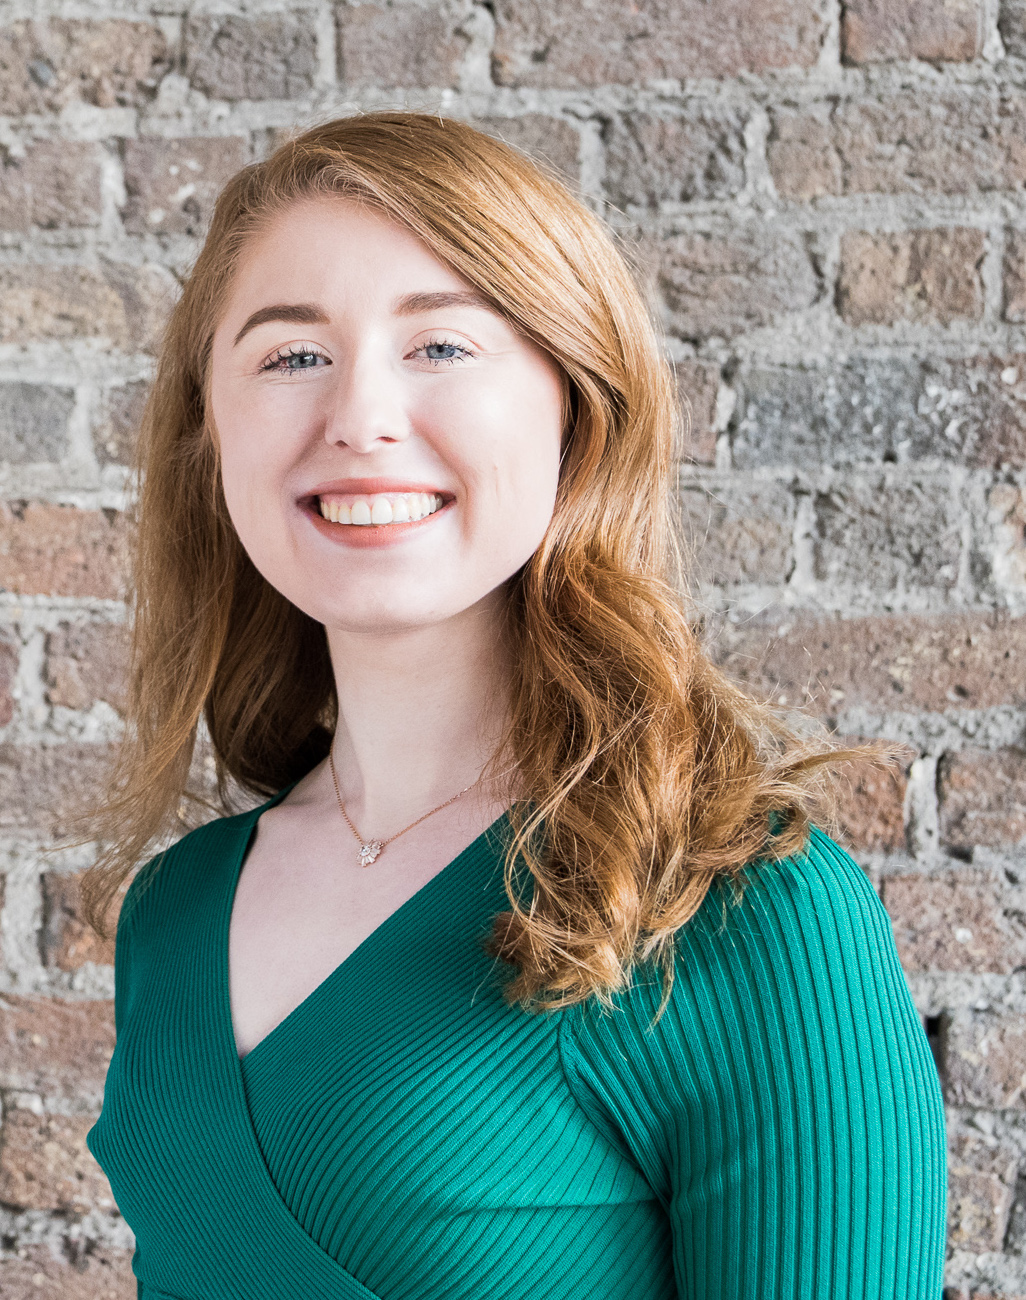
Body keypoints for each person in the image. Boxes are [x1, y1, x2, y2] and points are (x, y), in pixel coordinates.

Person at [83, 112, 946, 1299]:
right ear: (210, 435)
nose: (360, 416)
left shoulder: (744, 910)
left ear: (573, 409)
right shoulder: (174, 915)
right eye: (291, 356)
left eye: (440, 345)